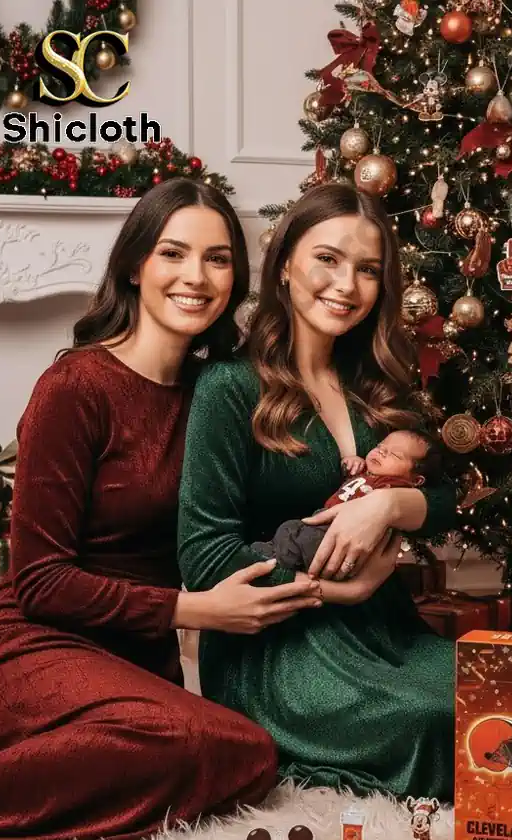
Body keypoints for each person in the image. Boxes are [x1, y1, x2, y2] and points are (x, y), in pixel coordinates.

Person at [0, 179, 320, 840]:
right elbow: (41, 582)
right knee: (219, 746)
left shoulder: (219, 393)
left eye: (218, 259)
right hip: (39, 642)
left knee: (244, 757)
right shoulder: (74, 388)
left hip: (138, 666)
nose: (195, 277)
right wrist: (192, 610)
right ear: (136, 266)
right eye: (174, 253)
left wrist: (391, 501)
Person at [177, 182, 458, 802]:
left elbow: (444, 498)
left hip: (385, 631)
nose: (347, 285)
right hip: (277, 645)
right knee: (433, 722)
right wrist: (335, 588)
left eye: (367, 270)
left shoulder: (377, 384)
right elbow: (203, 558)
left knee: (499, 701)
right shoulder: (228, 388)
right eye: (327, 259)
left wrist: (388, 504)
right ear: (283, 267)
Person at [250, 428, 443, 573]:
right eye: (380, 446)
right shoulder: (366, 471)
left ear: (416, 479)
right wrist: (353, 462)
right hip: (322, 518)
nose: (381, 452)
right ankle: (269, 553)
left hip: (344, 532)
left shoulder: (395, 484)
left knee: (305, 544)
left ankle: (273, 565)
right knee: (290, 528)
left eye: (394, 454)